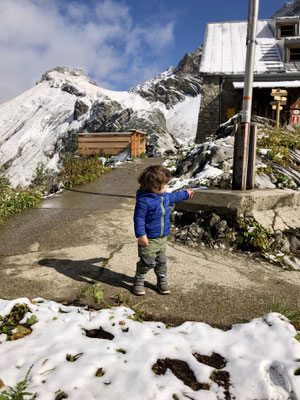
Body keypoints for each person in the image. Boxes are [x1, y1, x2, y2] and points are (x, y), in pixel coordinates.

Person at [133, 165, 194, 295]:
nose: (167, 187)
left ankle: (162, 281)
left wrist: (186, 194)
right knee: (147, 261)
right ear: (154, 187)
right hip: (149, 238)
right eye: (164, 185)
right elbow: (138, 219)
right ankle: (139, 278)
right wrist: (141, 235)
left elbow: (175, 197)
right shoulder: (144, 201)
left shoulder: (164, 196)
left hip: (162, 238)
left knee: (161, 261)